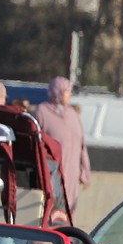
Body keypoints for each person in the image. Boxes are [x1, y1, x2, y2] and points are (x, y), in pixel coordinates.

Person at [34, 76, 90, 218]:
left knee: (69, 210)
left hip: (71, 172)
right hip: (52, 172)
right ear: (57, 91)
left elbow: (82, 145)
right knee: (51, 210)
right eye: (67, 91)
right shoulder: (42, 112)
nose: (69, 95)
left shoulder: (72, 114)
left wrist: (85, 173)